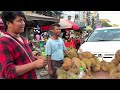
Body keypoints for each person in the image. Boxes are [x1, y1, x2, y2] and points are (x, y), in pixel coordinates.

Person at [0, 11, 47, 79]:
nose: (23, 23)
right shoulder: (4, 42)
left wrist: (36, 59)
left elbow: (22, 59)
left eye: (23, 20)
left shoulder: (22, 38)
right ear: (8, 23)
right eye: (19, 21)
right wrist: (34, 64)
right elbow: (8, 71)